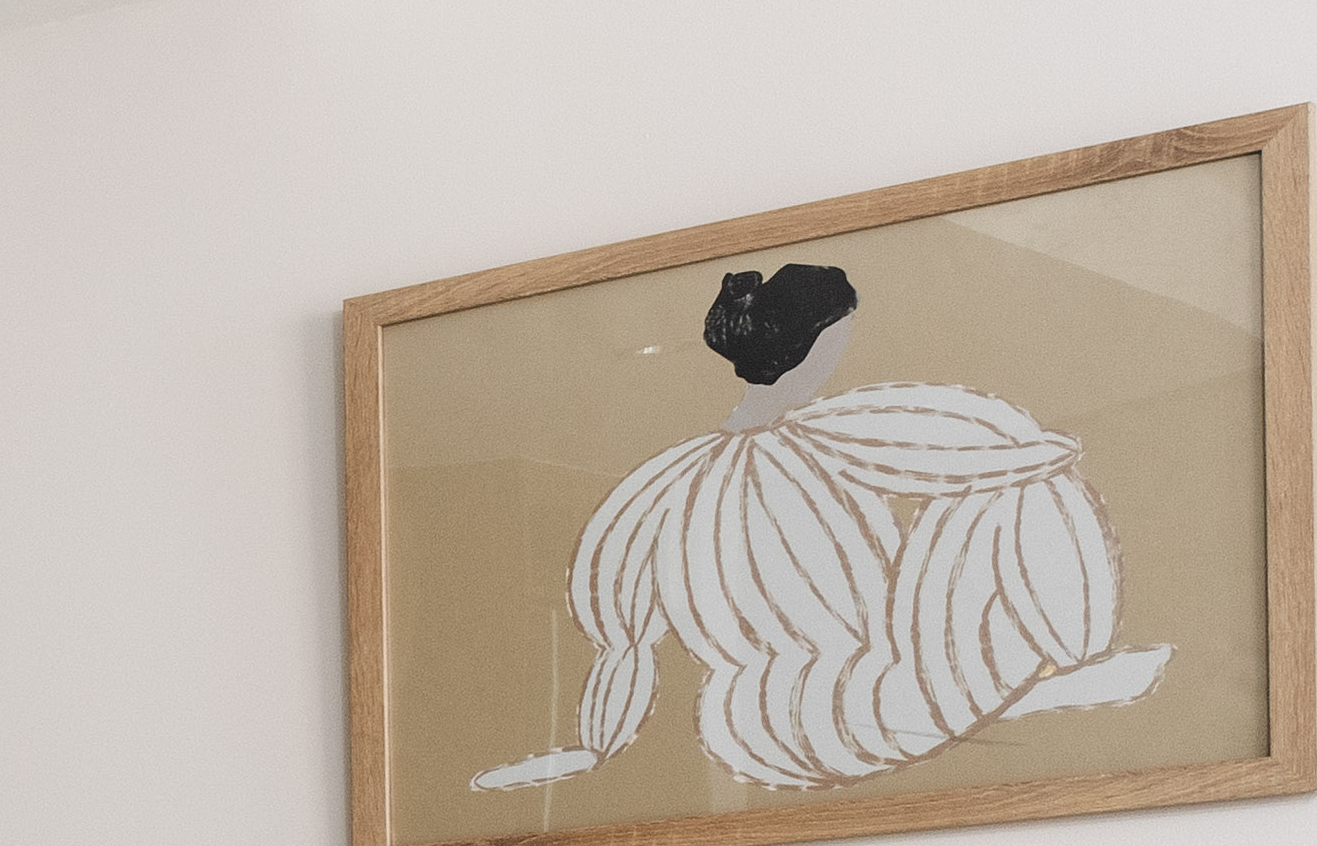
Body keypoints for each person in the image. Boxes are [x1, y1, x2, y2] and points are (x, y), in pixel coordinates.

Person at [473, 255, 1168, 795]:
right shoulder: (849, 432)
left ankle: (1051, 674)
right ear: (820, 347)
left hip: (750, 727)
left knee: (1004, 462)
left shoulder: (658, 484)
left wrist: (594, 749)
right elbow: (1017, 464)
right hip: (873, 697)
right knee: (1013, 469)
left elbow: (620, 641)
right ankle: (1077, 661)